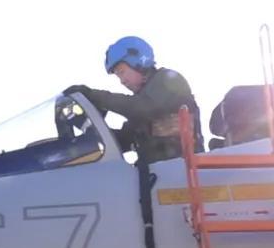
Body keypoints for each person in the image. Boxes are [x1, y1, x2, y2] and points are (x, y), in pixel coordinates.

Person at [65, 36, 203, 164]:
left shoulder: (169, 80)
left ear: (138, 61)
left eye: (122, 72)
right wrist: (87, 125)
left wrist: (95, 96)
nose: (122, 81)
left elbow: (145, 108)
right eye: (118, 76)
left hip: (182, 172)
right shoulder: (140, 112)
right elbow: (119, 142)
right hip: (157, 175)